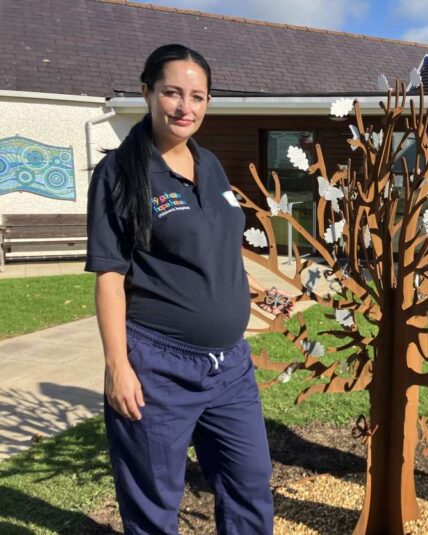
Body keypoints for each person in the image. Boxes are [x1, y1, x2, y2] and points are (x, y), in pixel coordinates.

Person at [86, 44, 289, 534]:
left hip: (230, 368)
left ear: (208, 102)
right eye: (172, 93)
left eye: (197, 97)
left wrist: (261, 295)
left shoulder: (211, 164)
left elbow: (219, 248)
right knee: (155, 502)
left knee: (250, 486)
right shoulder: (119, 174)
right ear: (147, 93)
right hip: (158, 368)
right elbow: (110, 276)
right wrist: (118, 367)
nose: (185, 107)